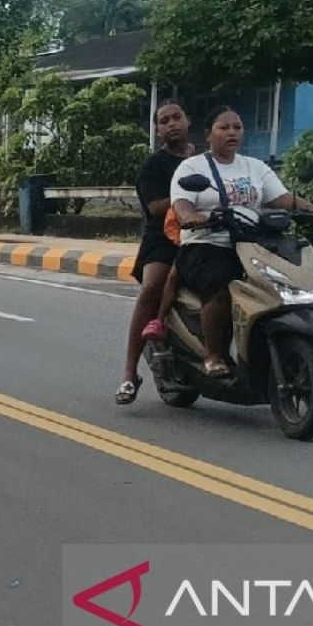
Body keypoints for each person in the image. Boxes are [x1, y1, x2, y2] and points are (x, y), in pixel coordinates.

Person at [169, 106, 313, 377]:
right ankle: (213, 354)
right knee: (223, 286)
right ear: (209, 134)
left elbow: (282, 198)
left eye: (237, 127)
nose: (232, 132)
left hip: (251, 243)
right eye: (224, 127)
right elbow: (182, 203)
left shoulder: (255, 166)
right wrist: (191, 216)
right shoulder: (192, 167)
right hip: (207, 243)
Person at [115, 99, 194, 404]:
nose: (172, 123)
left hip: (207, 233)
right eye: (165, 120)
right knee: (152, 287)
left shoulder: (205, 160)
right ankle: (129, 372)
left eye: (177, 117)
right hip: (164, 238)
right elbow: (155, 207)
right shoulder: (154, 166)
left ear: (188, 121)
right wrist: (186, 202)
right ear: (158, 129)